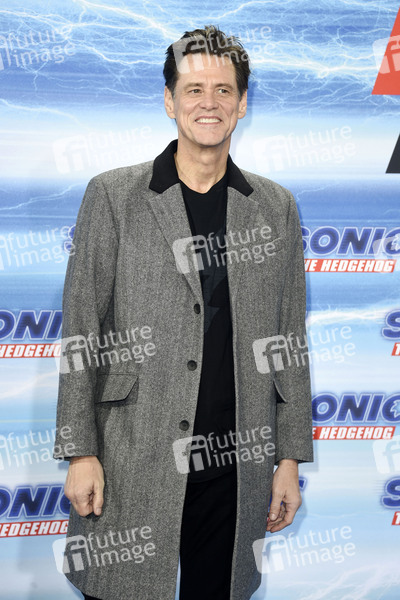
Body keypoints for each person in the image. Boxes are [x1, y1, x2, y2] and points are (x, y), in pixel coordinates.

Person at [53, 25, 313, 600]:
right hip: (132, 447)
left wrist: (290, 457)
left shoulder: (275, 207)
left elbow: (288, 339)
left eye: (223, 90)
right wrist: (80, 450)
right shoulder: (114, 196)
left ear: (242, 105)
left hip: (237, 459)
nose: (209, 103)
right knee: (119, 587)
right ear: (170, 101)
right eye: (194, 90)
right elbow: (81, 331)